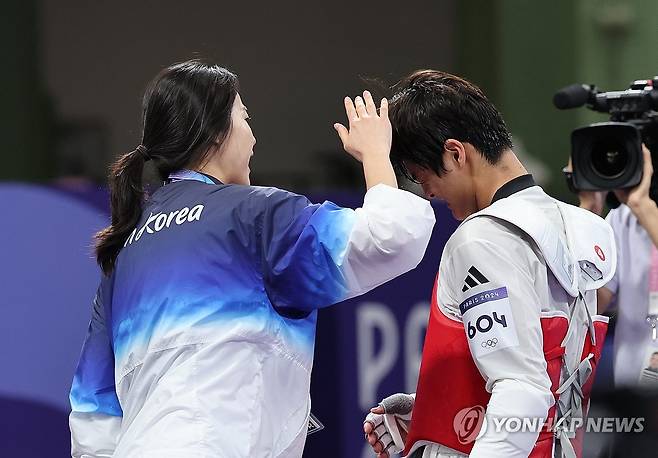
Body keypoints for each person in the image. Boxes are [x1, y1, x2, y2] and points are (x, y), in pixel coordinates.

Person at [68, 60, 436, 458]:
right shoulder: (256, 216)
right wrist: (376, 154)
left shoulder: (125, 252)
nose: (253, 137)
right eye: (244, 117)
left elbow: (92, 420)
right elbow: (392, 236)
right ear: (216, 132)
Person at [361, 70, 616, 458]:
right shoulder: (580, 226)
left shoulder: (484, 237)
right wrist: (438, 410)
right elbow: (546, 369)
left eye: (421, 175)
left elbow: (523, 391)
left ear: (455, 153)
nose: (427, 192)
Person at [576, 144, 658, 388]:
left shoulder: (640, 209)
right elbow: (589, 307)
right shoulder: (625, 215)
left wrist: (645, 210)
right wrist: (587, 217)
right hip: (636, 395)